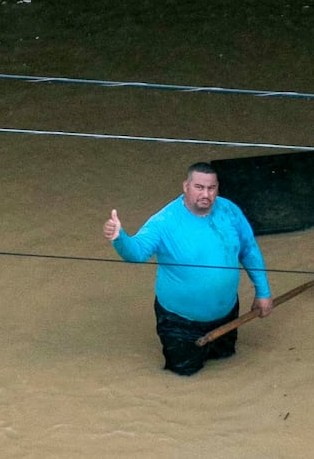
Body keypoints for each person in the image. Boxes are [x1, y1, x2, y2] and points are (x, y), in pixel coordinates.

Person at [103, 161, 273, 376]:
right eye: (199, 187)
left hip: (227, 313)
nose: (206, 194)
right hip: (179, 323)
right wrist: (119, 238)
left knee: (226, 361)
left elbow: (249, 250)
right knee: (184, 376)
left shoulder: (229, 210)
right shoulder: (163, 222)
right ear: (186, 186)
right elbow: (136, 253)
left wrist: (263, 292)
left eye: (211, 188)